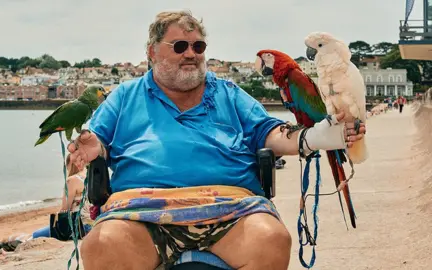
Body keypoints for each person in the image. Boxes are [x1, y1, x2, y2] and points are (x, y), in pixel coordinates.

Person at [67, 10, 366, 270]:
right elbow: (94, 143)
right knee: (101, 245)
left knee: (272, 239)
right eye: (180, 46)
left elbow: (270, 133)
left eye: (198, 46)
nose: (191, 53)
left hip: (231, 209)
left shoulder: (229, 93)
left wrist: (314, 138)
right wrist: (94, 148)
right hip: (141, 213)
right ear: (152, 52)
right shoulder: (124, 96)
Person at [0, 154, 94, 252]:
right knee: (32, 234)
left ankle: (2, 245)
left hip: (76, 227)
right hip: (90, 226)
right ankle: (3, 242)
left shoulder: (71, 180)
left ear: (69, 165)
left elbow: (65, 209)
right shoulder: (90, 177)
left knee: (33, 236)